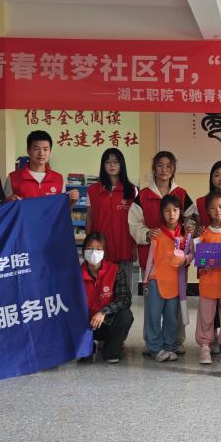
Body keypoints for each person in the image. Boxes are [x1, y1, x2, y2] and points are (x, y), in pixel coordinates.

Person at [128, 151, 195, 352]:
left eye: (168, 166)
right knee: (152, 306)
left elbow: (192, 218)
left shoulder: (182, 194)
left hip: (176, 262)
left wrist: (189, 227)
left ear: (173, 169)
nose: (164, 170)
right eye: (160, 165)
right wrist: (147, 234)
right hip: (152, 261)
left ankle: (176, 341)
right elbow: (133, 223)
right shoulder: (143, 196)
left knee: (176, 303)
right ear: (154, 168)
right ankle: (152, 343)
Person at [190, 193, 221, 365]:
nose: (217, 210)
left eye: (220, 206)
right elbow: (197, 255)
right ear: (208, 211)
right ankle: (205, 346)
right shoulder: (204, 233)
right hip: (208, 282)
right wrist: (202, 262)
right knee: (206, 315)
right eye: (213, 207)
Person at [142, 195, 191, 362]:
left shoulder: (186, 234)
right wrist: (146, 280)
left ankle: (169, 346)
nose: (171, 214)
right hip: (156, 280)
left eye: (175, 210)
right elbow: (150, 257)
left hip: (176, 282)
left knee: (171, 317)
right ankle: (155, 348)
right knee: (154, 315)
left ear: (180, 212)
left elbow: (191, 255)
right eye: (167, 210)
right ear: (162, 213)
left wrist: (185, 259)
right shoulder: (156, 233)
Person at [86, 147, 139, 291]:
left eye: (116, 162)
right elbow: (89, 217)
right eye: (108, 162)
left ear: (121, 165)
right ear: (103, 165)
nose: (112, 165)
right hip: (101, 248)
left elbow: (136, 220)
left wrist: (134, 246)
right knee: (104, 290)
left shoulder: (131, 190)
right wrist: (88, 245)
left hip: (125, 247)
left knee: (124, 290)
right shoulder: (93, 190)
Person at [79, 232, 134, 364]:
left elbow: (125, 299)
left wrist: (103, 312)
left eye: (98, 249)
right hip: (85, 324)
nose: (94, 253)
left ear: (104, 252)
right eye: (90, 248)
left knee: (126, 315)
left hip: (109, 322)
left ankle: (111, 350)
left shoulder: (115, 270)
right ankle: (86, 348)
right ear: (84, 250)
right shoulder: (76, 274)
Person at [6, 130, 79, 203]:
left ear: (50, 151)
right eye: (36, 149)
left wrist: (72, 201)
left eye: (45, 149)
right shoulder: (13, 178)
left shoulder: (58, 179)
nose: (41, 153)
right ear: (28, 150)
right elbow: (4, 207)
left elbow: (60, 208)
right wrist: (9, 201)